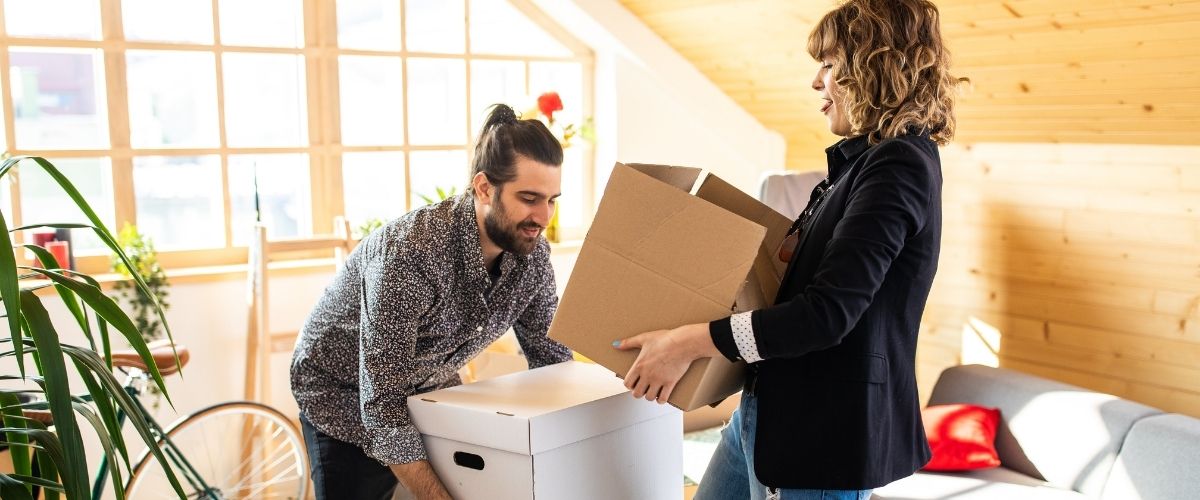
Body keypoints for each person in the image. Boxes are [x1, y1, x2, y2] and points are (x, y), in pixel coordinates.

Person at [614, 1, 964, 498]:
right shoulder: (867, 162)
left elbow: (826, 315)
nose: (816, 83)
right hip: (767, 412)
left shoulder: (898, 166)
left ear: (873, 66)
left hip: (821, 435)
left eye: (828, 65)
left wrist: (686, 343)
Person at [291, 104, 573, 500]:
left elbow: (552, 359)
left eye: (552, 200)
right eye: (529, 198)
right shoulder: (411, 255)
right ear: (484, 188)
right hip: (342, 391)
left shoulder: (532, 258)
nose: (543, 216)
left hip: (430, 385)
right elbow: (384, 409)